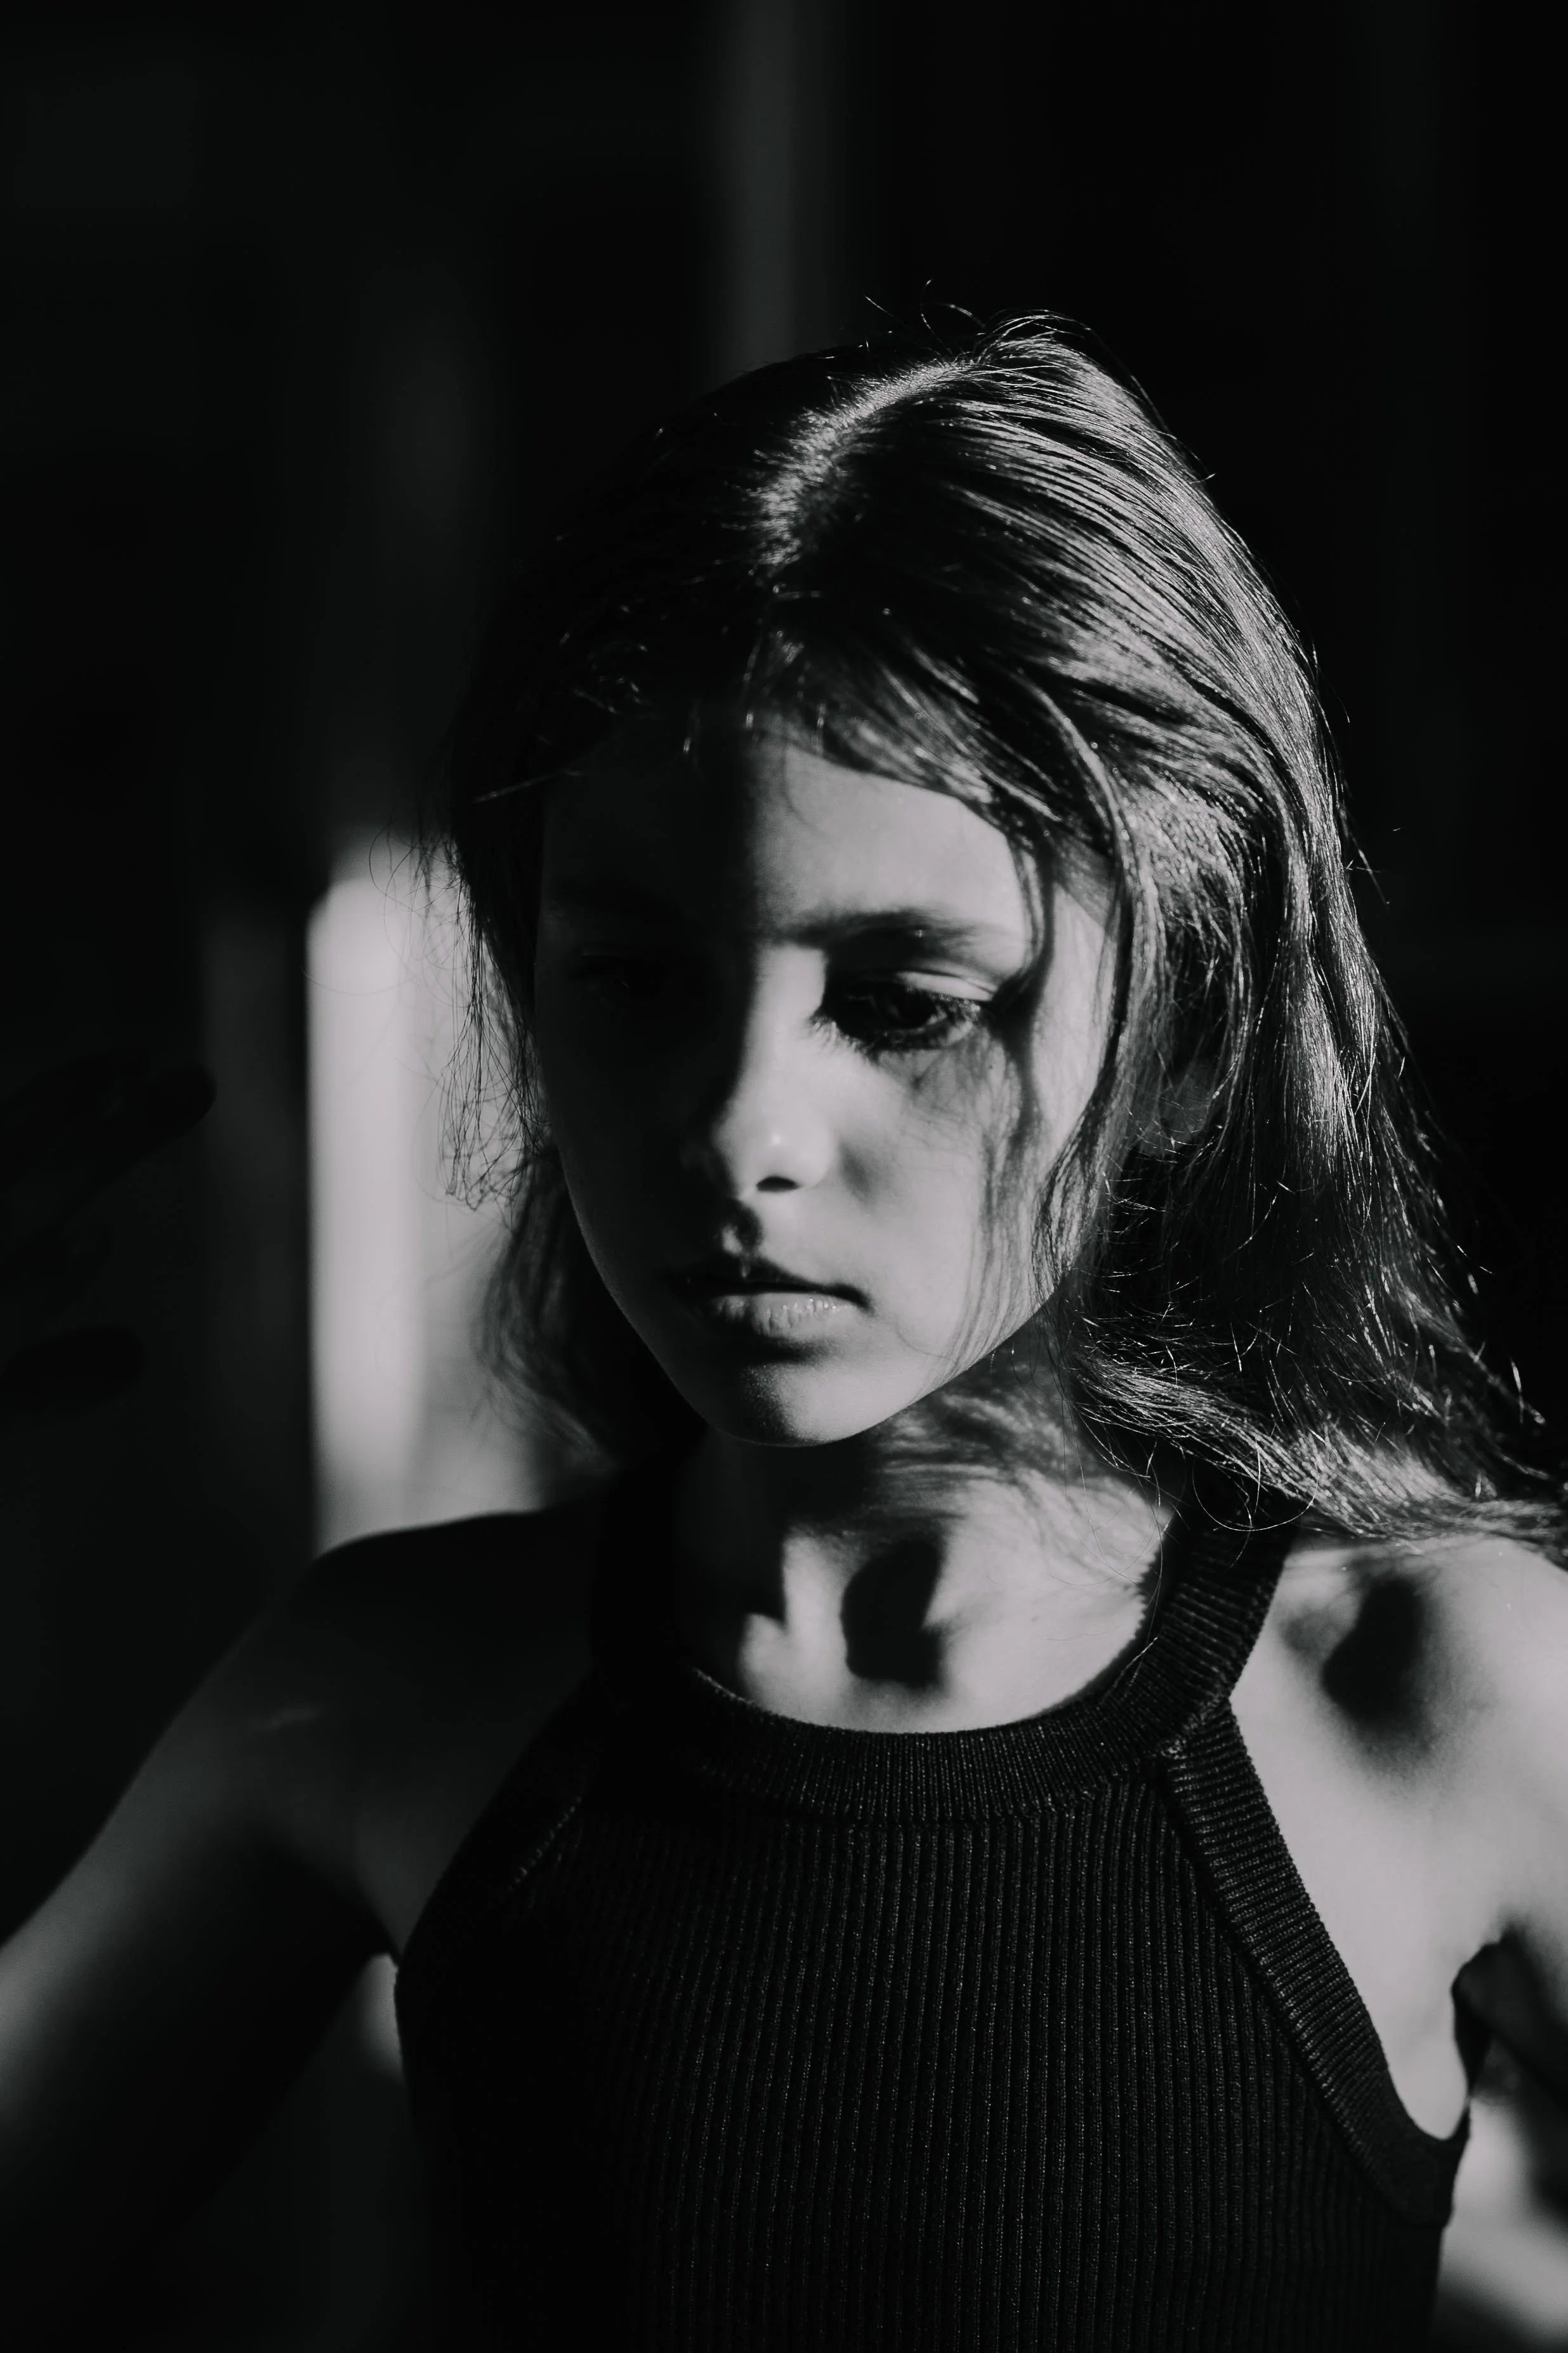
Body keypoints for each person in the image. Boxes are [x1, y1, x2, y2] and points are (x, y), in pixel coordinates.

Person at [2, 314, 1565, 2351]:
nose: (737, 1133)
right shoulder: (395, 1698)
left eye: (905, 1000)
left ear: (1185, 1024)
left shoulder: (1442, 1698)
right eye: (635, 982)